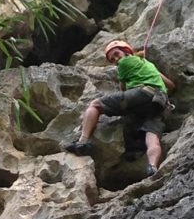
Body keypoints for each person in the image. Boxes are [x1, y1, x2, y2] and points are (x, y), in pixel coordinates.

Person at [66, 39, 175, 176]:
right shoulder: (149, 65)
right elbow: (170, 85)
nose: (116, 60)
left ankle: (82, 141)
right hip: (160, 103)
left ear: (126, 51)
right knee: (152, 136)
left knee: (96, 105)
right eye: (113, 59)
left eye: (117, 54)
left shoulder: (125, 62)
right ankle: (152, 167)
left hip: (142, 94)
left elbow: (122, 88)